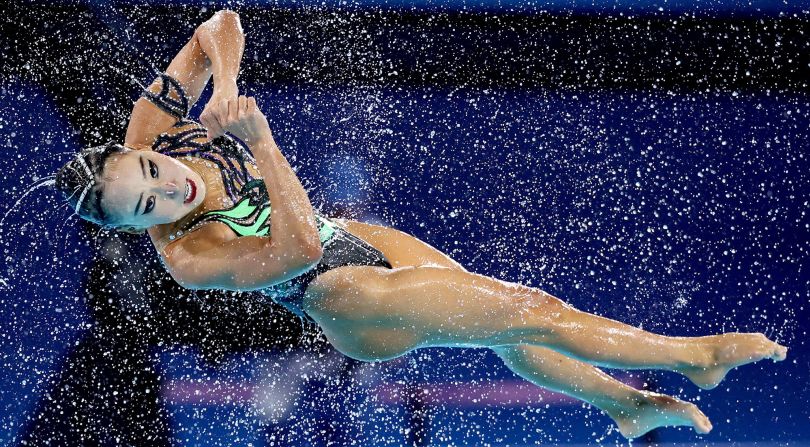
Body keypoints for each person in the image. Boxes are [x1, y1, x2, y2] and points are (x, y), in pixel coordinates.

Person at [53, 10, 787, 439]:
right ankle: (692, 355)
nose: (166, 188)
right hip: (340, 299)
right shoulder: (188, 255)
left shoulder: (152, 125)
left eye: (147, 173)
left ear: (134, 150)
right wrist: (260, 139)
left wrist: (229, 84)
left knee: (504, 322)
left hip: (353, 238)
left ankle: (623, 405)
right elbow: (299, 245)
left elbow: (221, 23)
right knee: (526, 310)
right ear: (134, 229)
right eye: (147, 206)